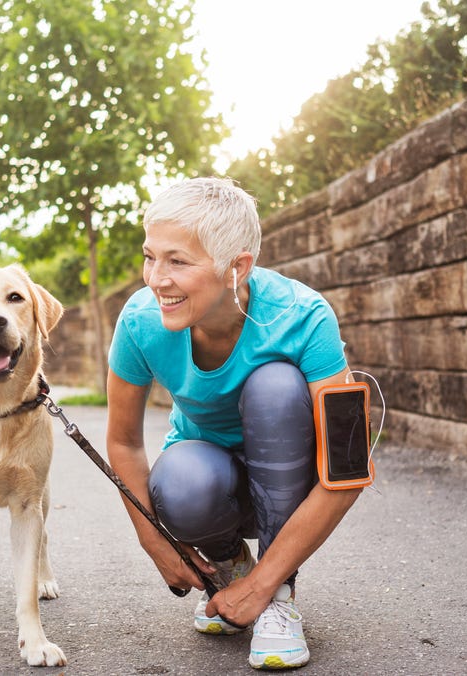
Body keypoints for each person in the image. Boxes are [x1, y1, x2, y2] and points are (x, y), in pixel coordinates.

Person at [105, 176, 362, 670]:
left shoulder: (304, 316)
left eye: (177, 261)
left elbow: (348, 469)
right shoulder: (140, 321)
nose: (155, 278)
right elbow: (122, 442)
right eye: (150, 256)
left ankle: (276, 593)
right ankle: (229, 565)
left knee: (276, 386)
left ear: (236, 267)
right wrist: (156, 542)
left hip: (295, 484)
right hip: (211, 489)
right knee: (179, 479)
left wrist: (263, 587)